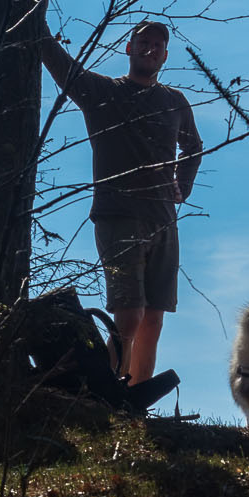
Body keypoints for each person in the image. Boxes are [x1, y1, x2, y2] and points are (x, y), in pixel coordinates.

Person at [38, 21, 202, 382]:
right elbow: (64, 68)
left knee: (154, 316)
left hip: (163, 219)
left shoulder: (174, 102)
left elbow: (193, 147)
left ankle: (138, 397)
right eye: (144, 42)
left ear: (166, 55)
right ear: (128, 49)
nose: (151, 49)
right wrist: (39, 26)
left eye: (158, 45)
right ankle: (109, 392)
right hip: (118, 215)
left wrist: (182, 186)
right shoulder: (103, 92)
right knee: (128, 314)